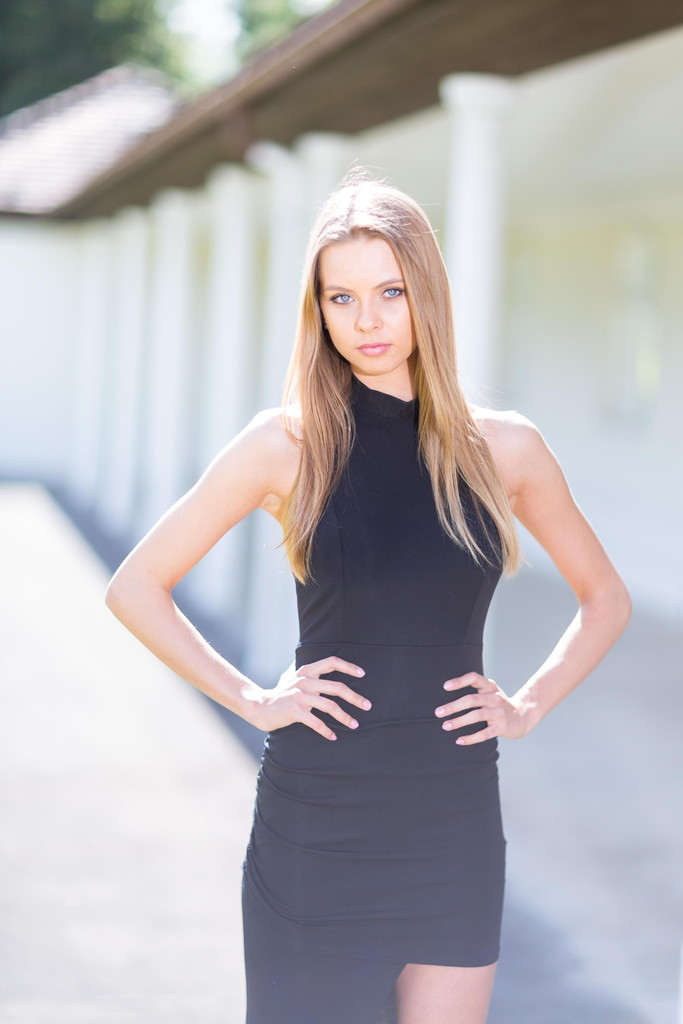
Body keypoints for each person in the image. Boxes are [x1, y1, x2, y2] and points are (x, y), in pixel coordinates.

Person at [105, 169, 632, 1024]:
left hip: (453, 814)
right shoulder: (285, 444)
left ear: (427, 294)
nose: (368, 322)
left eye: (389, 292)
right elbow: (136, 586)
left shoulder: (505, 449)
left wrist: (526, 705)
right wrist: (252, 698)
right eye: (341, 298)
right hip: (318, 820)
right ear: (318, 311)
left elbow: (603, 597)